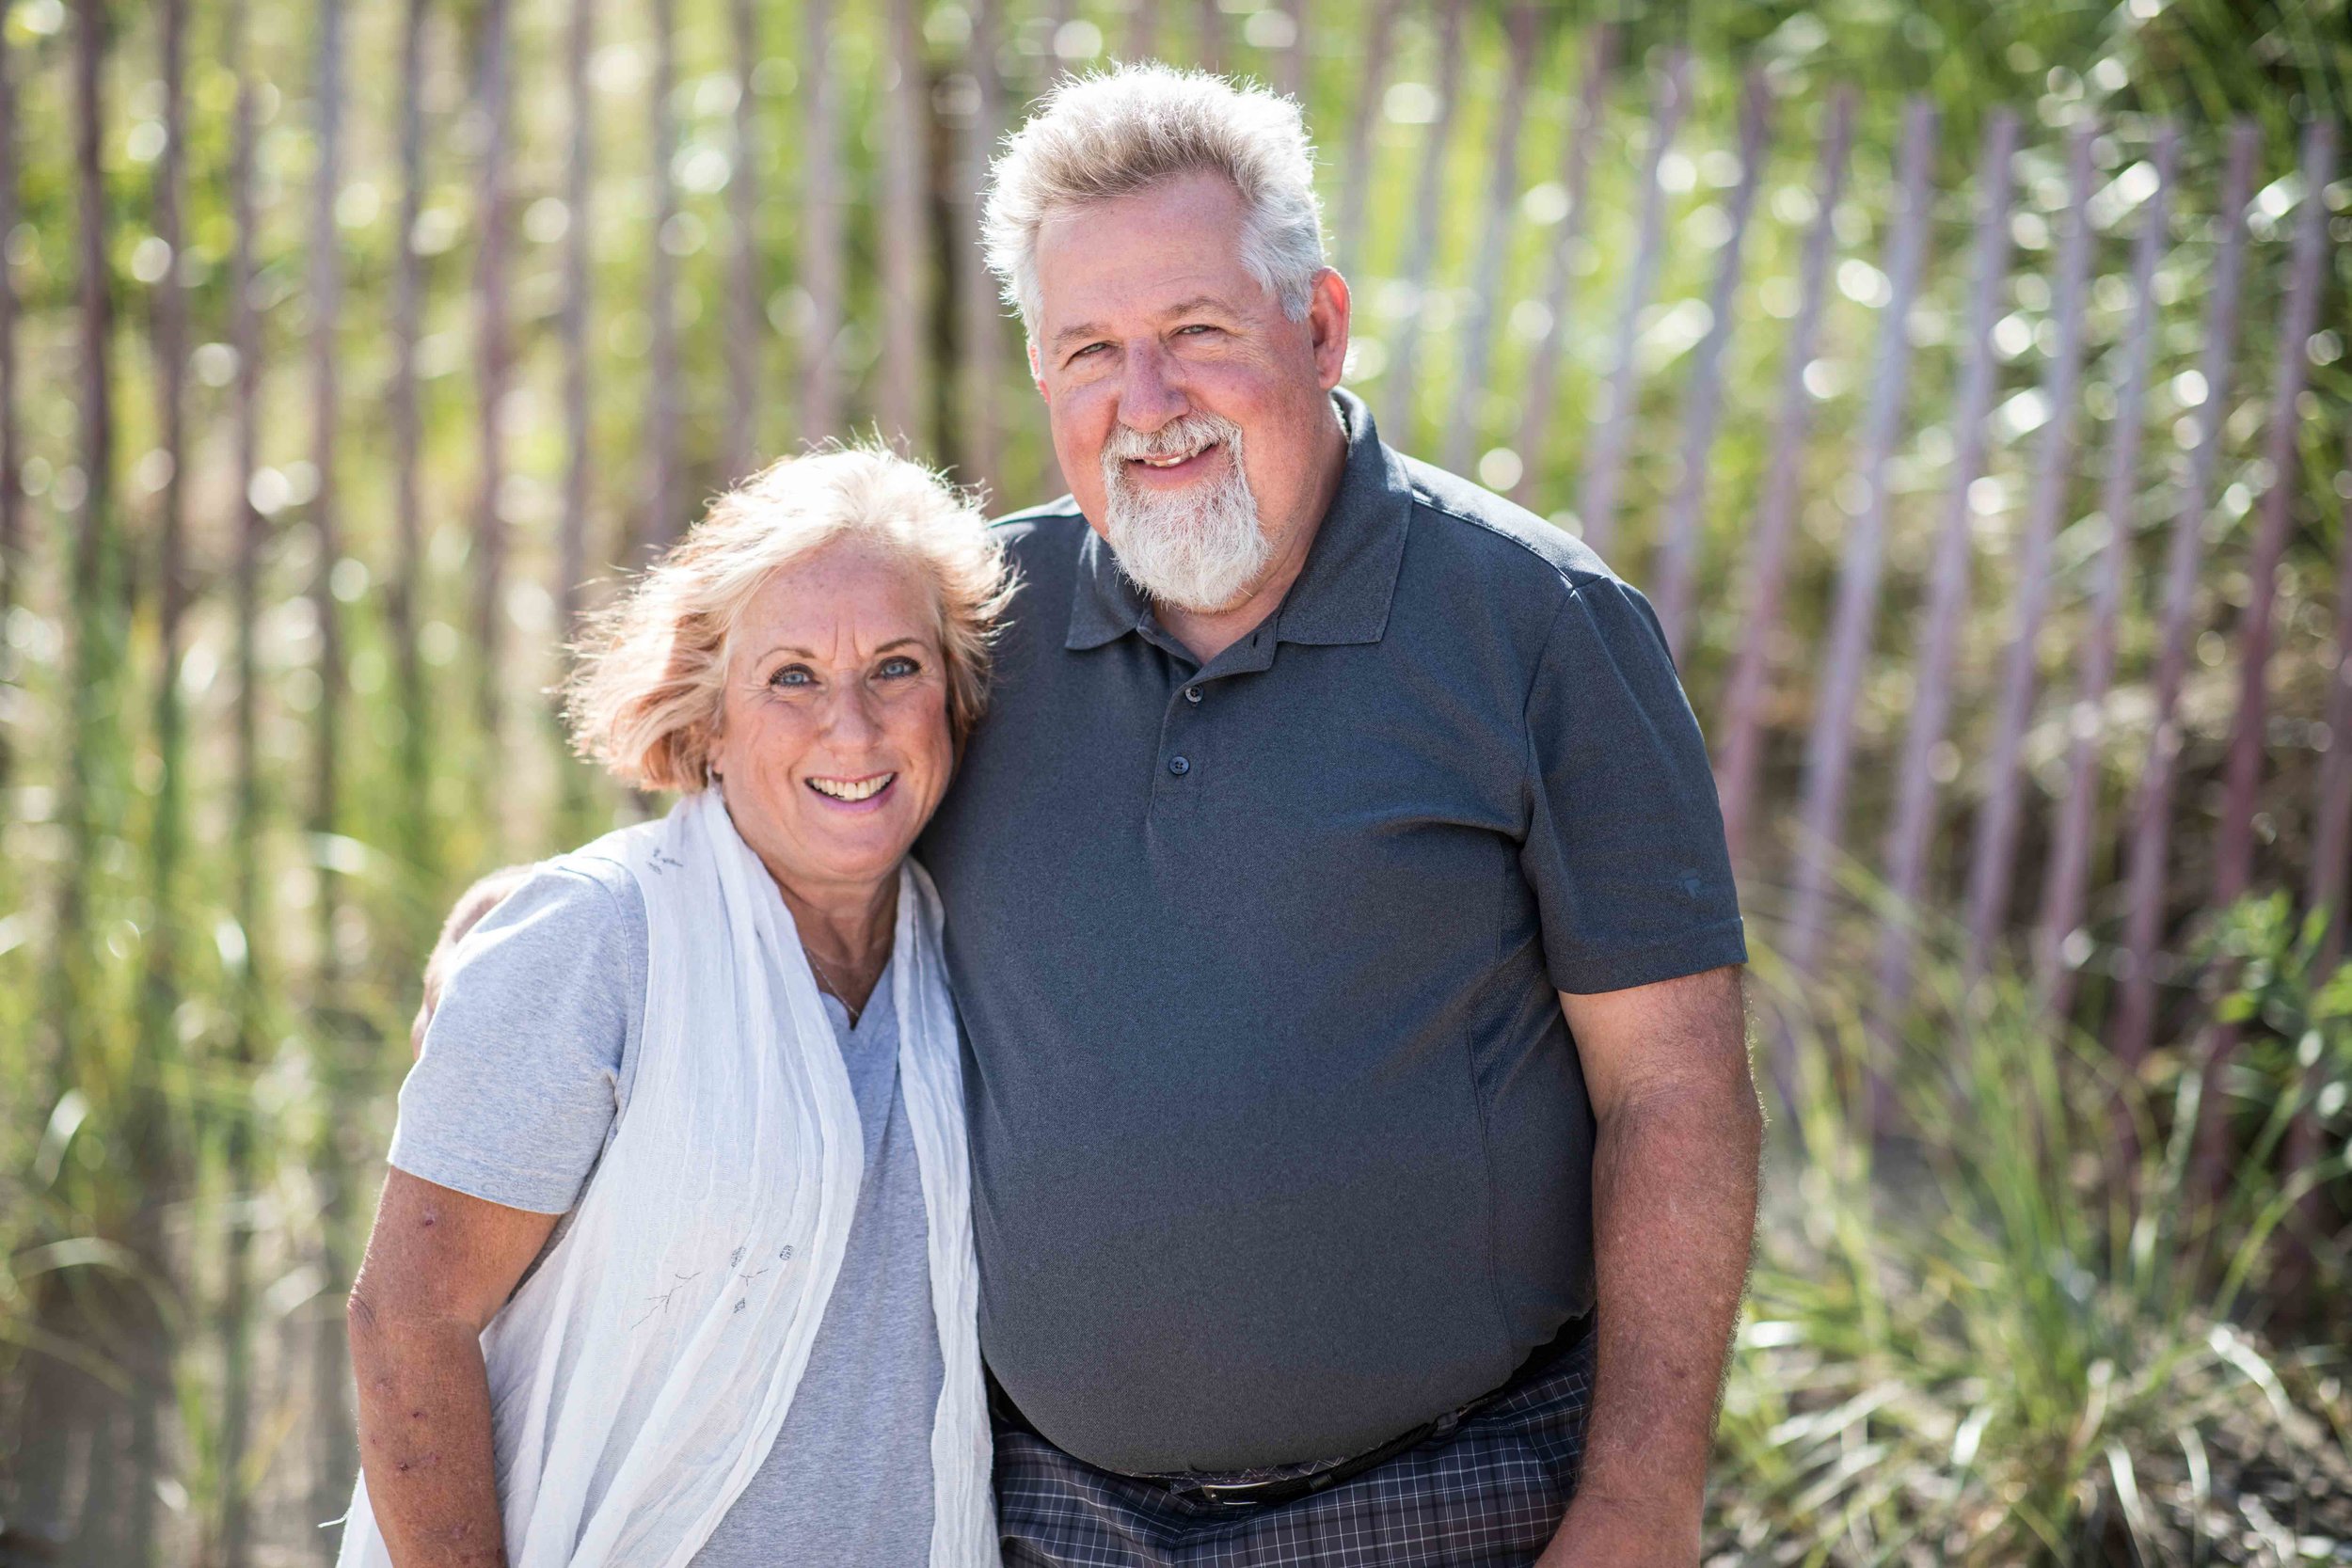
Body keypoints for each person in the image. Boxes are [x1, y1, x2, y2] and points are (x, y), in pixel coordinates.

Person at [916, 64, 1761, 1566]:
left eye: (1197, 333)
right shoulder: (977, 630)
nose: (1149, 403)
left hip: (1450, 1500)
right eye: (1090, 351)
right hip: (1038, 1509)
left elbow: (1674, 1092)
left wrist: (1642, 1501)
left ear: (1318, 325)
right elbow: (782, 845)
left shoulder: (1539, 626)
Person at [337, 447, 1014, 1568]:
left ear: (955, 695)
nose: (851, 726)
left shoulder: (967, 957)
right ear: (706, 720)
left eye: (896, 666)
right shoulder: (597, 941)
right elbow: (407, 1323)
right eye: (791, 676)